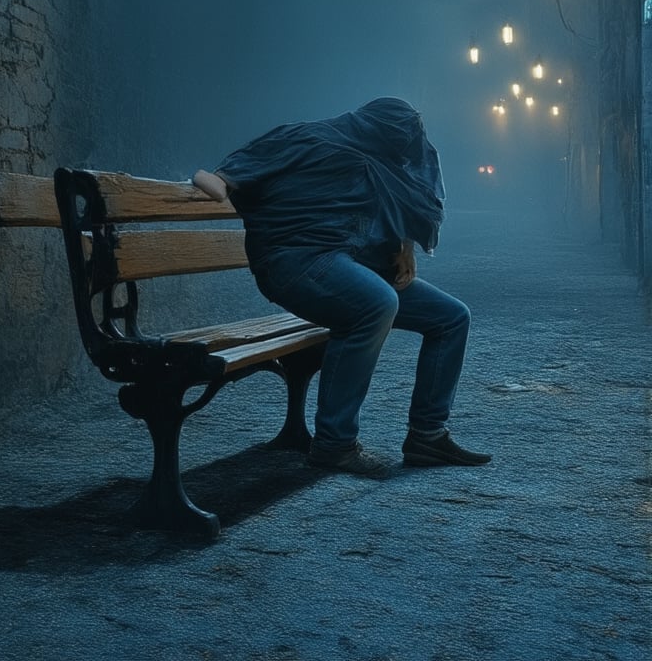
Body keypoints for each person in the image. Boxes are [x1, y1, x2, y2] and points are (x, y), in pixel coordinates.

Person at [193, 97, 491, 478]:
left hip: (343, 263)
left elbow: (397, 202)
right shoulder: (305, 138)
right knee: (377, 303)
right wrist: (212, 182)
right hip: (293, 261)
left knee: (451, 317)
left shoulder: (378, 161)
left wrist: (404, 244)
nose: (405, 152)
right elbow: (228, 175)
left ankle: (427, 436)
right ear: (373, 128)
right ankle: (334, 444)